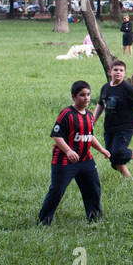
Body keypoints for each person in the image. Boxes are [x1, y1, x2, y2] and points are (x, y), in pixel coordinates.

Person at [39, 80, 111, 226]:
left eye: (88, 95)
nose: (86, 98)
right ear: (73, 97)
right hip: (65, 161)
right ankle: (44, 221)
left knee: (93, 189)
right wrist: (68, 151)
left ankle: (94, 218)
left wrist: (102, 149)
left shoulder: (90, 115)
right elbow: (56, 135)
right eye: (82, 95)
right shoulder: (67, 114)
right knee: (57, 191)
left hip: (86, 160)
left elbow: (89, 136)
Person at [92, 60, 133, 179]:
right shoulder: (105, 88)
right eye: (116, 70)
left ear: (124, 73)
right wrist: (92, 121)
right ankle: (129, 180)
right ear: (110, 72)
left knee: (118, 152)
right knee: (111, 156)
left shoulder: (127, 88)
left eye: (121, 70)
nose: (118, 72)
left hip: (124, 128)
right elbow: (100, 105)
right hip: (109, 128)